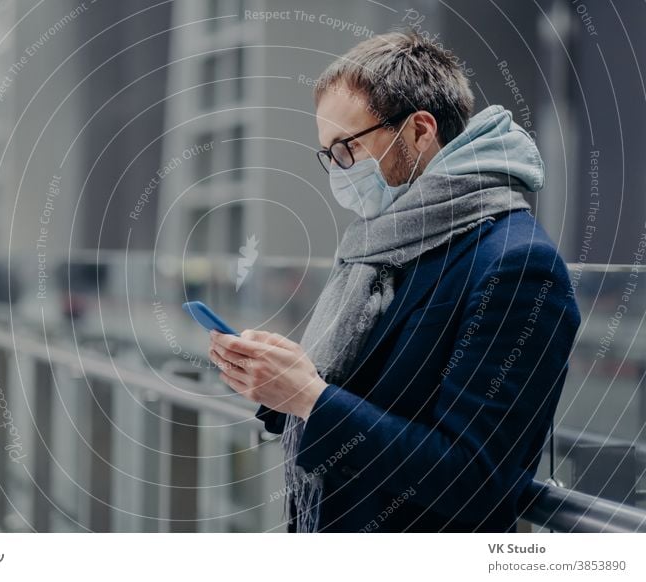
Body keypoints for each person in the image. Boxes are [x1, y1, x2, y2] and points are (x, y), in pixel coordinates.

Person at [208, 30, 580, 533]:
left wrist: (309, 397)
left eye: (349, 146)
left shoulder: (517, 267)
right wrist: (281, 379)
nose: (339, 169)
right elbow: (366, 392)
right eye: (328, 153)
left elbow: (476, 481)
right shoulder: (380, 241)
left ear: (419, 131)